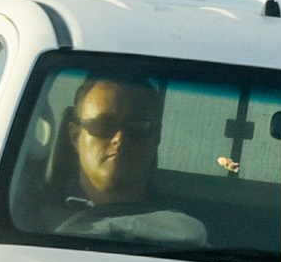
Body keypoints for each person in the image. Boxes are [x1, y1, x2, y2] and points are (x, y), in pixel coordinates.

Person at [46, 76, 208, 245]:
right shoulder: (32, 218)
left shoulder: (186, 234)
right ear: (75, 136)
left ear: (156, 136)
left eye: (136, 127)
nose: (120, 138)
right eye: (104, 125)